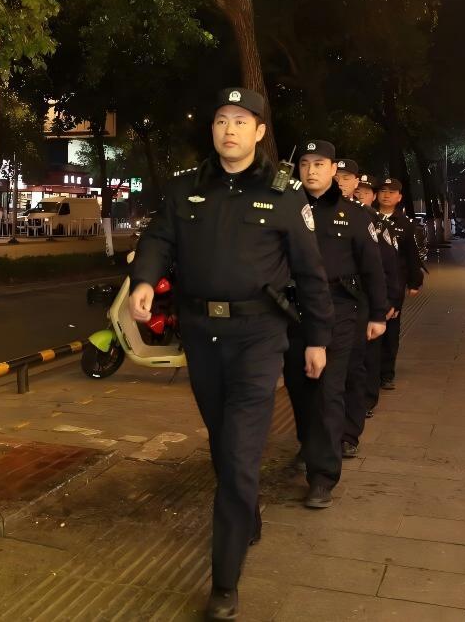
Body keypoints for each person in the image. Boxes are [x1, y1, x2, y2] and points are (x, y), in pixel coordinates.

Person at [129, 88, 333, 622]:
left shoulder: (284, 194)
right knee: (223, 442)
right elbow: (158, 239)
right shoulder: (186, 189)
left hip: (258, 337)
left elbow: (311, 274)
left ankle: (224, 580)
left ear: (260, 132)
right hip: (201, 335)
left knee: (240, 451)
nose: (230, 130)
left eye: (241, 121)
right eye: (222, 120)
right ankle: (248, 515)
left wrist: (317, 339)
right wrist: (144, 279)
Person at [285, 144, 387, 506]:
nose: (311, 171)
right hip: (292, 309)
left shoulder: (354, 214)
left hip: (338, 309)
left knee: (328, 389)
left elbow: (372, 267)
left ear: (332, 170)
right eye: (305, 164)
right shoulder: (285, 208)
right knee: (298, 386)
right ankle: (309, 444)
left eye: (319, 164)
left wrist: (378, 313)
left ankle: (323, 476)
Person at [353, 174, 402, 420]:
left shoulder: (378, 223)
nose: (360, 195)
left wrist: (391, 300)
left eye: (365, 191)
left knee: (370, 353)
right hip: (344, 298)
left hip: (369, 296)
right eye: (358, 190)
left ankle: (367, 399)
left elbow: (389, 266)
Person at [376, 178, 425, 392]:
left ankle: (387, 373)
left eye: (391, 192)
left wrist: (415, 282)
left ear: (399, 197)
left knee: (390, 326)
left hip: (395, 283)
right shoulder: (368, 217)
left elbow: (412, 256)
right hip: (371, 281)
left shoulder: (405, 223)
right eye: (383, 191)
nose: (386, 195)